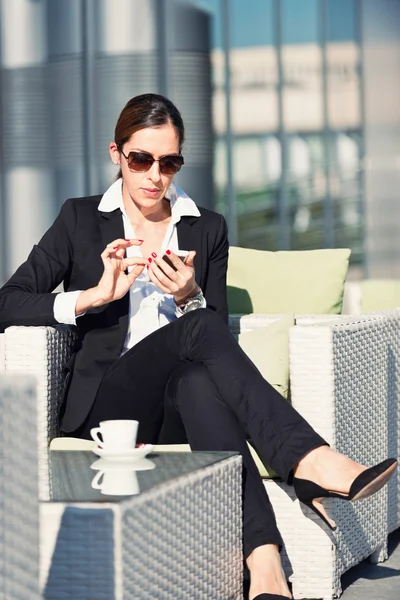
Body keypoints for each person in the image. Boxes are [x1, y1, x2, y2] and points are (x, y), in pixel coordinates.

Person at [0, 93, 396, 600]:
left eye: (169, 162)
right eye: (140, 159)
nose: (154, 175)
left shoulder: (206, 227)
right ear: (116, 154)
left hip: (179, 404)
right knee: (199, 328)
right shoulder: (79, 219)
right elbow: (9, 301)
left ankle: (266, 567)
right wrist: (93, 296)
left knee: (198, 374)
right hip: (109, 407)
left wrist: (188, 295)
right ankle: (310, 461)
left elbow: (214, 341)